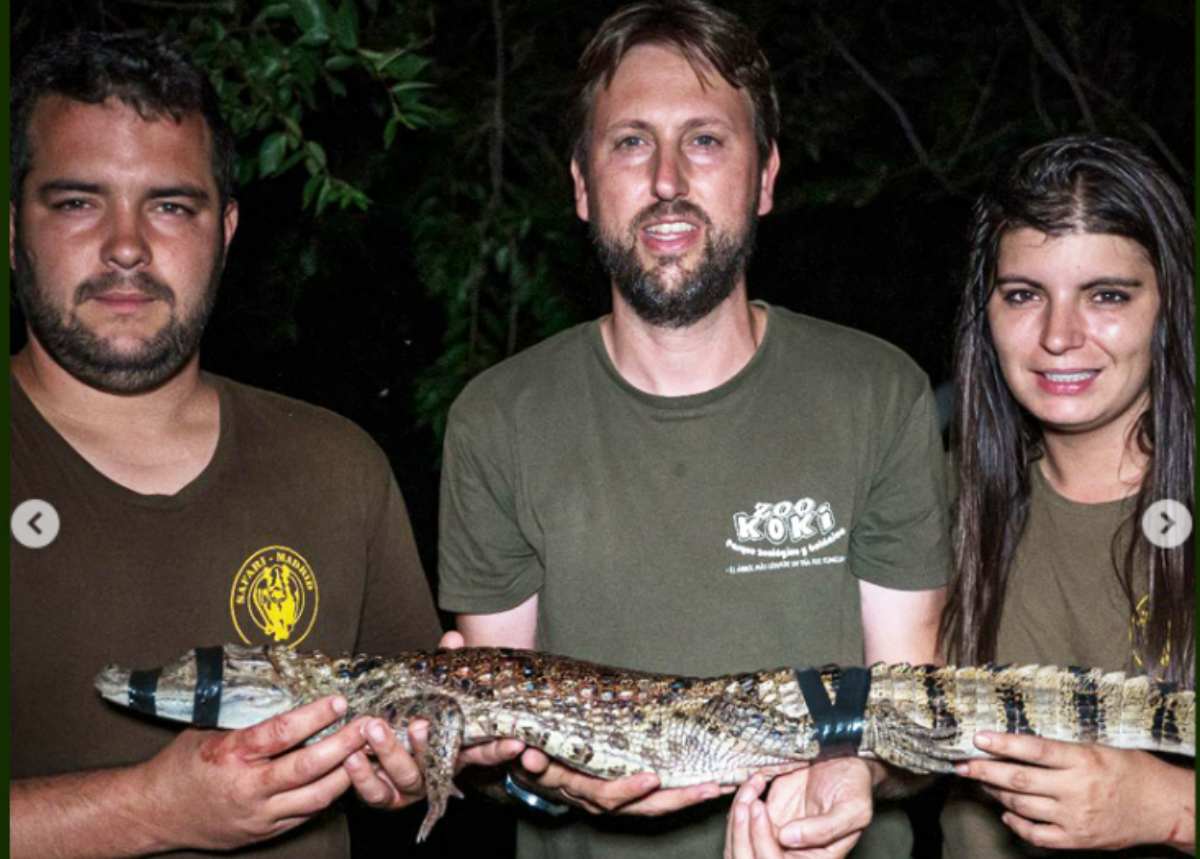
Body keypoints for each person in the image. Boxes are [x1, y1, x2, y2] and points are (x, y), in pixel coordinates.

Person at [436, 2, 951, 857]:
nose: (668, 178)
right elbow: (496, 746)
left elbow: (913, 715)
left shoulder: (879, 394)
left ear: (766, 176)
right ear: (580, 182)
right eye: (631, 141)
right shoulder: (496, 420)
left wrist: (858, 771)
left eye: (706, 140)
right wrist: (540, 777)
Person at [7, 30, 515, 858]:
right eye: (77, 202)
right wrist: (147, 807)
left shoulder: (339, 467)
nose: (127, 245)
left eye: (171, 204)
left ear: (227, 229)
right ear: (12, 227)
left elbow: (423, 754)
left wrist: (416, 770)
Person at [938, 135, 1195, 856]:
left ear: (1167, 304)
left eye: (1107, 295)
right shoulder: (938, 499)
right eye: (1023, 294)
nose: (1058, 335)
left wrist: (1168, 804)